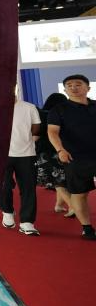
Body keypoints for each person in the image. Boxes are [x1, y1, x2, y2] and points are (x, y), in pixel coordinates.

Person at [47, 74, 96, 241]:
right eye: (69, 85)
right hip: (74, 157)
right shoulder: (58, 110)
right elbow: (52, 132)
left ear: (88, 88)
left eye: (78, 84)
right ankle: (87, 229)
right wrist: (60, 150)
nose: (73, 87)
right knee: (80, 193)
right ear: (65, 90)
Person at [1, 92, 41, 236]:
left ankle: (27, 222)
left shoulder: (29, 107)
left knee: (28, 188)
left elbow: (36, 127)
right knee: (3, 185)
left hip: (27, 154)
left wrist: (30, 141)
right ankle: (7, 211)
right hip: (0, 155)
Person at [36, 92, 72, 216]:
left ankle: (60, 205)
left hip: (44, 152)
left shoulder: (41, 115)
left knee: (58, 181)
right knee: (60, 181)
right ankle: (72, 206)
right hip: (59, 151)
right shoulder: (62, 116)